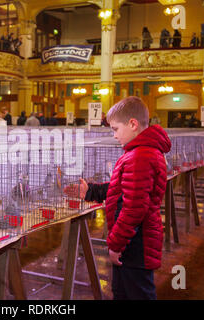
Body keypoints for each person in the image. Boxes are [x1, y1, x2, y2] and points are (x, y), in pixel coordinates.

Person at [63, 96, 171, 300]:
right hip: (134, 240)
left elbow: (133, 209)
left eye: (115, 129)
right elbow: (121, 189)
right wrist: (90, 191)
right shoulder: (138, 152)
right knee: (123, 293)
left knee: (137, 294)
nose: (114, 135)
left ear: (132, 124)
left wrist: (115, 245)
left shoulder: (140, 156)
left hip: (135, 244)